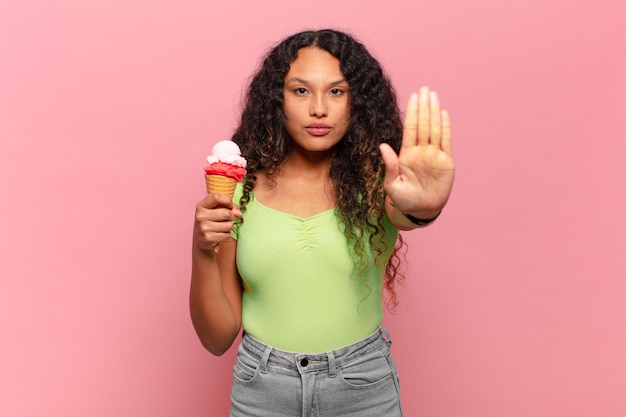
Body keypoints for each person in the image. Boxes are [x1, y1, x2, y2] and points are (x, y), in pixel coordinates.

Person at [190, 29, 455, 417]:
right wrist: (201, 249)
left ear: (357, 101)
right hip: (262, 387)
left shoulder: (379, 179)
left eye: (336, 91)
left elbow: (406, 213)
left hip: (361, 385)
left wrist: (424, 208)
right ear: (276, 99)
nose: (319, 108)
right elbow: (216, 339)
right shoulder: (239, 190)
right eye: (300, 91)